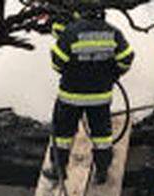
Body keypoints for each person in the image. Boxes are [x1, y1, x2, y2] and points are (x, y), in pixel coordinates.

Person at [46, 2, 134, 184]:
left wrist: (72, 71)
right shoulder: (112, 32)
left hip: (71, 96)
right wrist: (112, 74)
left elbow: (56, 62)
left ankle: (59, 170)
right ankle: (101, 172)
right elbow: (126, 58)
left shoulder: (71, 32)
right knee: (102, 136)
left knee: (62, 134)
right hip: (100, 97)